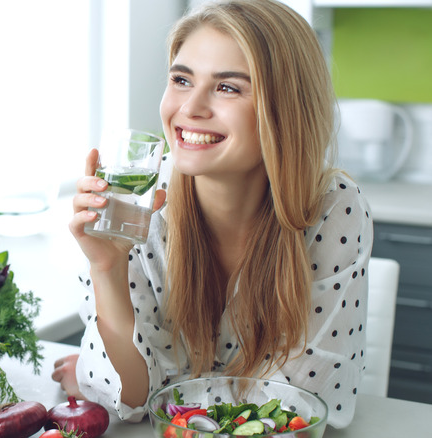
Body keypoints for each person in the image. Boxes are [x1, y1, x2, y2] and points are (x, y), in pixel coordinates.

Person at [52, 0, 373, 429]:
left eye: (228, 88)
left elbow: (294, 410)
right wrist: (106, 268)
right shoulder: (141, 200)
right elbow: (130, 402)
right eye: (182, 79)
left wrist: (161, 382)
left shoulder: (334, 209)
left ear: (286, 109)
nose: (191, 108)